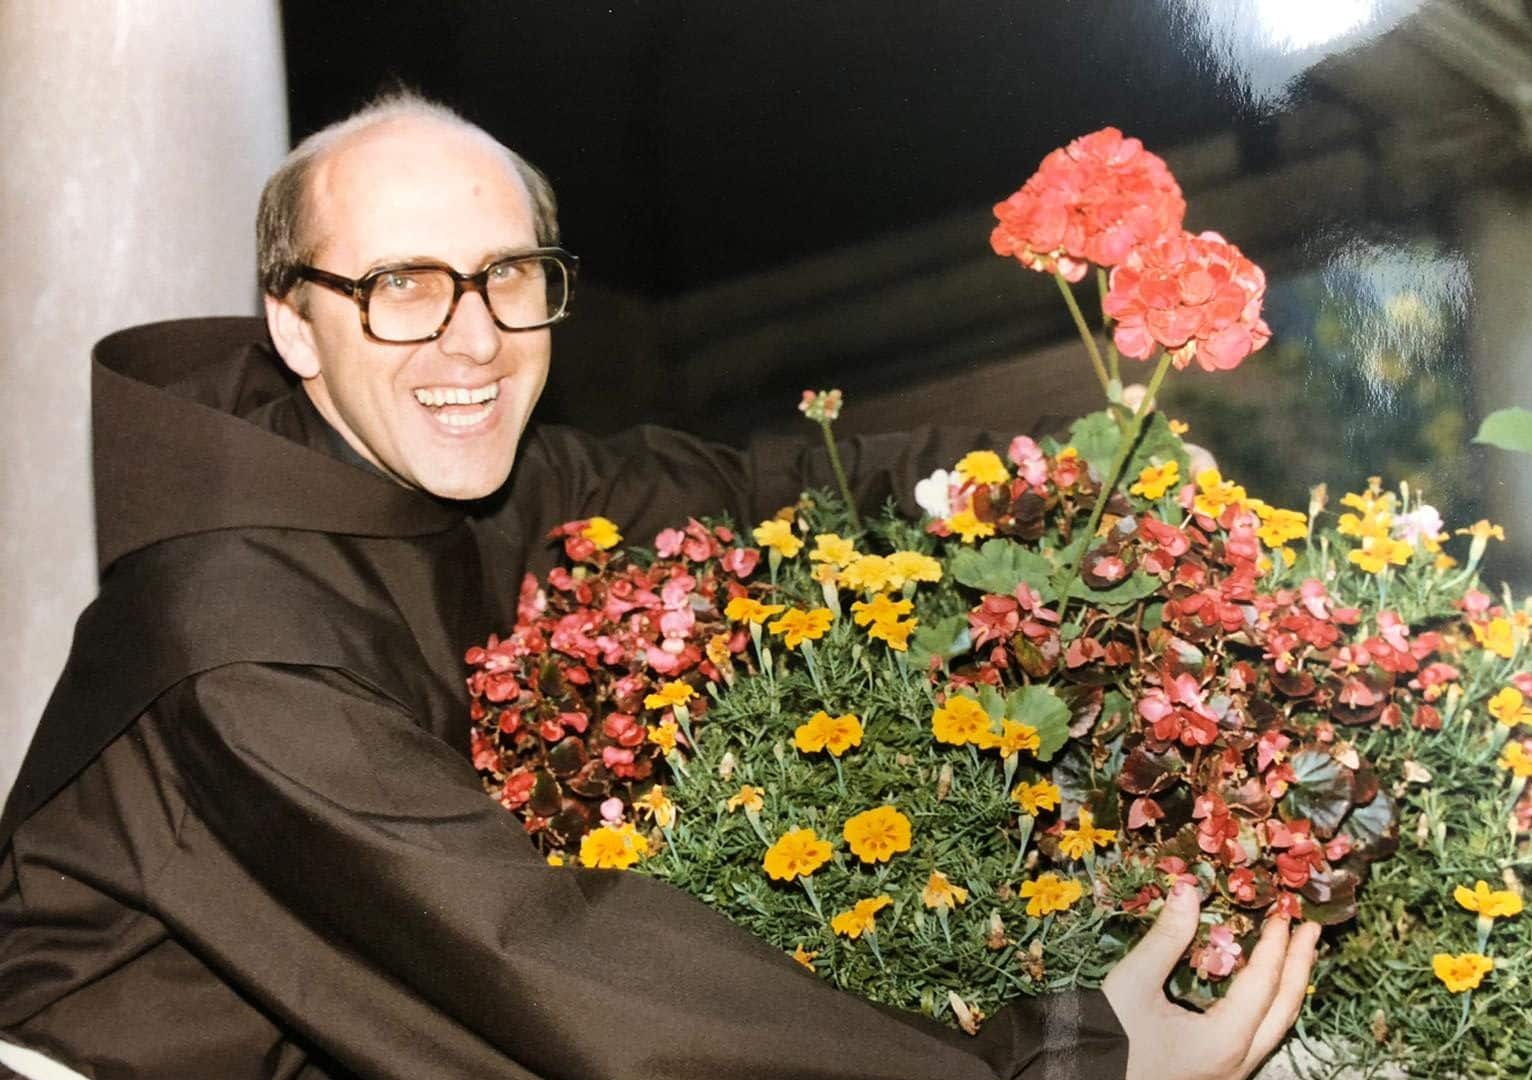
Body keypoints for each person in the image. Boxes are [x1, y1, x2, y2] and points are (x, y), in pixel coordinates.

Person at [0, 92, 1317, 1080]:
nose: (474, 341)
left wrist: (1069, 491)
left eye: (509, 277)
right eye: (402, 286)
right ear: (295, 322)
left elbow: (752, 491)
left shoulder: (443, 471)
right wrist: (1065, 1058)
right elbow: (544, 959)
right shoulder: (234, 640)